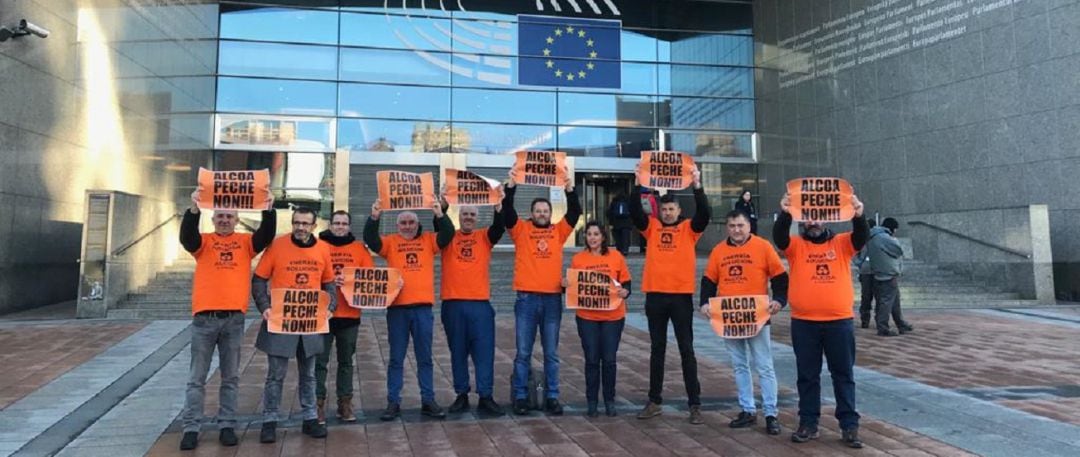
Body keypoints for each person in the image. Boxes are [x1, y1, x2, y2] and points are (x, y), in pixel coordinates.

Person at [177, 190, 275, 451]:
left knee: (230, 376)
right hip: (204, 319)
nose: (224, 220)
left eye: (228, 216)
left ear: (237, 219)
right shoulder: (204, 243)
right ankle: (191, 427)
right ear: (212, 219)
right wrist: (194, 210)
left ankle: (227, 424)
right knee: (196, 377)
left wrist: (268, 209)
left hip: (233, 319)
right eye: (219, 216)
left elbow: (265, 236)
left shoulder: (245, 243)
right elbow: (187, 238)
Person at [773, 190, 868, 448]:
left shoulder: (842, 243)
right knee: (807, 376)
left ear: (826, 219)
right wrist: (784, 213)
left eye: (818, 218)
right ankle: (808, 423)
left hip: (839, 322)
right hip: (804, 323)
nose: (813, 223)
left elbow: (861, 237)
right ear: (802, 222)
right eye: (808, 219)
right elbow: (779, 238)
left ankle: (849, 425)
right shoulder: (796, 246)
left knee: (843, 374)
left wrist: (859, 216)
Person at [631, 164, 711, 425]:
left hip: (680, 298)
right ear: (659, 211)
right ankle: (654, 400)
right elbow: (635, 213)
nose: (667, 213)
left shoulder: (689, 229)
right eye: (664, 209)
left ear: (678, 210)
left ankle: (694, 404)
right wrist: (636, 184)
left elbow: (705, 214)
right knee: (657, 349)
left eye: (671, 209)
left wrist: (697, 186)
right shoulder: (651, 227)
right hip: (655, 297)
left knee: (686, 349)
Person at [364, 199, 455, 421]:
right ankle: (393, 402)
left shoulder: (428, 241)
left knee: (425, 358)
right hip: (397, 310)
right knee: (396, 358)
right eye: (403, 222)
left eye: (411, 222)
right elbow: (370, 239)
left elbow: (448, 234)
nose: (407, 226)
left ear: (417, 224)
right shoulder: (390, 243)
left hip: (423, 309)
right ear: (397, 226)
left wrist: (440, 214)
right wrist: (374, 217)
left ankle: (428, 399)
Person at [251, 207, 337, 443]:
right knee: (275, 375)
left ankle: (310, 418)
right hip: (281, 321)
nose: (300, 227)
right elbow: (258, 279)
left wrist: (330, 307)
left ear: (314, 226)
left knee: (308, 375)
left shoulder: (323, 249)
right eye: (296, 222)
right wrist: (264, 306)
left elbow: (329, 283)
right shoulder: (277, 246)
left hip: (309, 323)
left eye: (305, 223)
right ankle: (270, 421)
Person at [700, 210, 788, 435]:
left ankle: (771, 413)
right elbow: (709, 280)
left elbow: (780, 276)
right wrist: (704, 303)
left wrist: (779, 300)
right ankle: (747, 409)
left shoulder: (763, 247)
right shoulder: (719, 251)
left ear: (749, 226)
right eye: (732, 226)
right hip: (729, 317)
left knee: (764, 366)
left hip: (757, 316)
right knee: (740, 365)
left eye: (740, 225)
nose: (736, 230)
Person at [503, 167, 581, 416]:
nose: (542, 214)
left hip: (551, 299)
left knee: (552, 353)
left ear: (550, 214)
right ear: (532, 214)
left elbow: (576, 212)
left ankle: (552, 396)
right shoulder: (521, 230)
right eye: (538, 211)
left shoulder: (558, 231)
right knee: (523, 352)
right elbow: (507, 213)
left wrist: (569, 188)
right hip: (526, 298)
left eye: (545, 211)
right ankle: (522, 397)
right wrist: (511, 186)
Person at [440, 194, 506, 416]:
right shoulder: (448, 237)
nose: (468, 217)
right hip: (453, 304)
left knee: (484, 352)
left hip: (480, 305)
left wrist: (499, 208)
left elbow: (499, 227)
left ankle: (486, 395)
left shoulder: (484, 236)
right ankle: (461, 395)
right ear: (458, 217)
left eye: (472, 214)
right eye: (465, 214)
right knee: (457, 352)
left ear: (477, 218)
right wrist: (443, 202)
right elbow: (438, 222)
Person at [566, 221, 631, 418]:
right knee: (592, 360)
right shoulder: (578, 259)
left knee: (609, 360)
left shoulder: (616, 256)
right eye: (589, 234)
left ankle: (609, 400)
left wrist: (625, 291)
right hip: (587, 317)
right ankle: (592, 401)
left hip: (613, 316)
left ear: (603, 236)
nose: (592, 237)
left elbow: (626, 282)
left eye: (596, 234)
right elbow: (573, 286)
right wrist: (564, 284)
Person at [314, 211, 373, 424]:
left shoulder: (359, 248)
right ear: (330, 225)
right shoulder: (317, 245)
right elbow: (310, 273)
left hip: (349, 313)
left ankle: (345, 403)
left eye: (344, 223)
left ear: (349, 226)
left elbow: (370, 277)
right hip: (322, 314)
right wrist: (328, 281)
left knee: (346, 361)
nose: (340, 227)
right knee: (319, 362)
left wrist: (349, 280)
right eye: (336, 223)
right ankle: (317, 404)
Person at [867, 217, 912, 336]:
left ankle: (901, 324)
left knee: (894, 301)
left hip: (879, 273)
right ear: (892, 228)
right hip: (887, 274)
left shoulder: (873, 236)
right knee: (886, 302)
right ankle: (883, 327)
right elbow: (898, 250)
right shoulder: (884, 238)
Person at [855, 219, 877, 328]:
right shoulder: (865, 238)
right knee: (874, 296)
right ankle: (872, 319)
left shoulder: (869, 238)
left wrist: (860, 264)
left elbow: (857, 255)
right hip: (873, 270)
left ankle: (865, 319)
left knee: (866, 296)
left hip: (868, 271)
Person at [638, 188, 658, 253]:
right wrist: (655, 218)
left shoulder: (639, 197)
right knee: (649, 234)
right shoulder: (651, 197)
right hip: (650, 219)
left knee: (642, 233)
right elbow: (655, 209)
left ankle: (641, 248)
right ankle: (647, 247)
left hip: (641, 218)